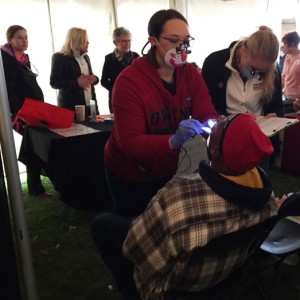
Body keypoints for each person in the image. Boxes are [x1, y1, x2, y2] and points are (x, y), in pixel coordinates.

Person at [91, 113, 277, 300]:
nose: (219, 118)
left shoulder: (179, 196)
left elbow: (136, 250)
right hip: (225, 276)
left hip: (173, 288)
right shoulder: (265, 193)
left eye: (226, 122)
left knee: (102, 224)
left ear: (215, 151)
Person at [104, 9, 219, 218]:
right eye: (174, 40)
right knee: (135, 229)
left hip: (173, 168)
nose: (181, 47)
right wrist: (172, 142)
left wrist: (215, 126)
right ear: (153, 41)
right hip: (133, 173)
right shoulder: (129, 82)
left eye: (186, 40)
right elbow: (130, 143)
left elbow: (207, 113)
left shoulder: (190, 74)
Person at [201, 26, 285, 170]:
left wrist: (275, 116)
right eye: (253, 69)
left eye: (262, 72)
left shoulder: (273, 71)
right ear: (243, 51)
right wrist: (236, 120)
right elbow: (206, 106)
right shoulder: (214, 63)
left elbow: (276, 103)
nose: (256, 74)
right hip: (225, 139)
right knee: (226, 183)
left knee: (258, 183)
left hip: (257, 138)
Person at [1, 25, 51, 197]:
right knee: (34, 146)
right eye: (20, 38)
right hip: (22, 112)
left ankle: (35, 187)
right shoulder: (5, 60)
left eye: (26, 37)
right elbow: (10, 89)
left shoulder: (24, 57)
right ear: (10, 40)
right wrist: (17, 114)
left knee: (33, 146)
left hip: (34, 109)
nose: (24, 41)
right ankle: (36, 187)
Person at [50, 27, 99, 117]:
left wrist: (95, 79)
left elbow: (90, 79)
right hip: (71, 107)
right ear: (76, 41)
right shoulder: (60, 58)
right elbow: (54, 83)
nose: (88, 43)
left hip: (91, 105)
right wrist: (76, 83)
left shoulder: (86, 57)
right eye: (85, 40)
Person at [101, 27, 139, 113]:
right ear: (115, 43)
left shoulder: (136, 57)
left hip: (134, 97)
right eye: (124, 41)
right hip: (116, 98)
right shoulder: (109, 58)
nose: (127, 43)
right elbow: (104, 81)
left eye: (129, 41)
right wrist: (116, 89)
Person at [281, 31, 300, 107]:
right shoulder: (288, 56)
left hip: (297, 100)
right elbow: (284, 76)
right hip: (286, 96)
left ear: (292, 44)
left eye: (285, 44)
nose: (283, 47)